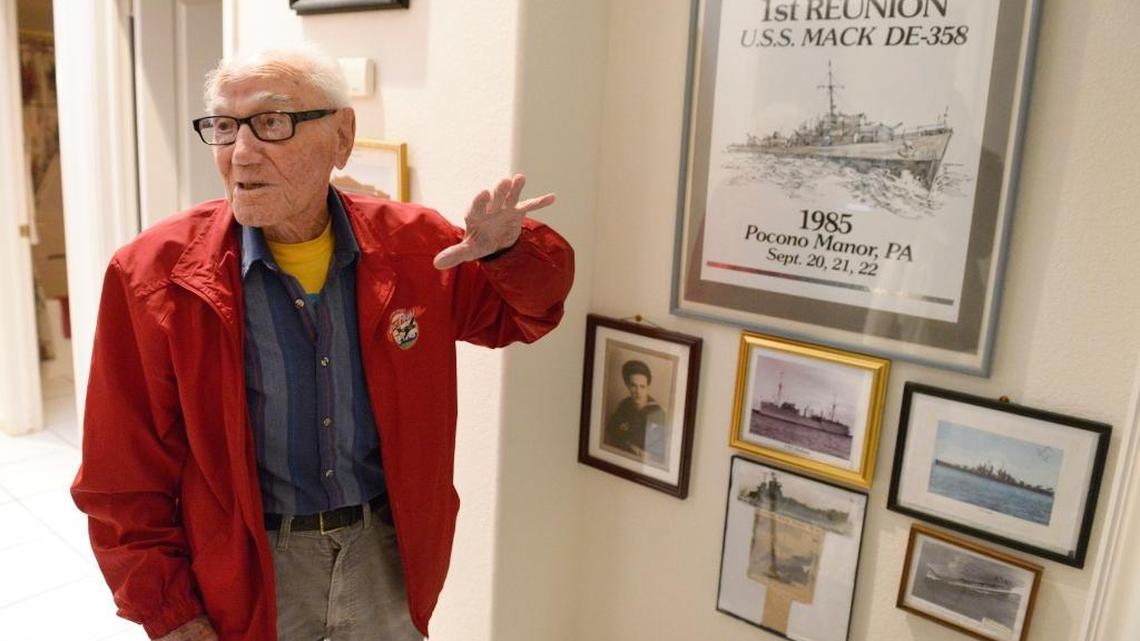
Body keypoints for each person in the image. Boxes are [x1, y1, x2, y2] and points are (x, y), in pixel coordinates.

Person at [70, 44, 573, 641]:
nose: (242, 152)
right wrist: (170, 614)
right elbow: (119, 475)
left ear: (342, 135)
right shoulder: (152, 274)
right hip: (250, 569)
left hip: (389, 554)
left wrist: (510, 253)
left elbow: (526, 315)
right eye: (225, 127)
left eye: (273, 122)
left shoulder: (416, 247)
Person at [603, 360, 667, 464]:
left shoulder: (657, 414)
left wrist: (627, 443)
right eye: (633, 386)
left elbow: (654, 456)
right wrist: (630, 446)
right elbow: (611, 430)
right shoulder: (625, 404)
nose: (638, 392)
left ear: (648, 387)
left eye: (642, 386)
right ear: (628, 386)